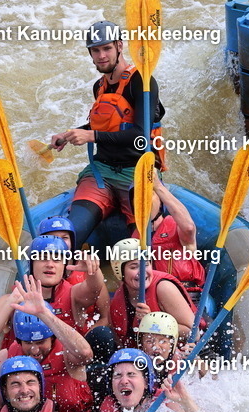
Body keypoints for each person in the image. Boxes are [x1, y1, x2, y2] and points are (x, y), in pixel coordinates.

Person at [50, 20, 167, 249]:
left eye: (107, 48)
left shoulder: (141, 82)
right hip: (101, 172)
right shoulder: (99, 86)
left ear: (119, 46)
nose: (101, 55)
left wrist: (91, 136)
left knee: (141, 251)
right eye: (95, 50)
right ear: (90, 54)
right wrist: (70, 134)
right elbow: (107, 126)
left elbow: (140, 135)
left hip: (137, 172)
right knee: (70, 236)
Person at [0, 275, 96, 412]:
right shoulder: (6, 358)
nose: (34, 350)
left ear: (52, 338)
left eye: (40, 342)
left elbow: (85, 354)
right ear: (19, 341)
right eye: (28, 343)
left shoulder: (67, 353)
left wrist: (44, 314)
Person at [0, 235, 106, 348]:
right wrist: (10, 303)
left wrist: (93, 269)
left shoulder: (74, 295)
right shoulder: (10, 299)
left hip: (62, 368)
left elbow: (95, 288)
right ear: (31, 264)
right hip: (24, 371)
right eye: (43, 258)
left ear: (64, 266)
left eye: (56, 259)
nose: (50, 264)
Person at [109, 238, 196, 347]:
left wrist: (152, 322)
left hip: (182, 353)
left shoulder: (164, 288)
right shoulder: (119, 298)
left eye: (146, 264)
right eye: (134, 267)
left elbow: (194, 333)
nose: (142, 271)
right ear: (120, 272)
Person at [130, 174, 205, 299]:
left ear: (160, 202)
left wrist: (158, 186)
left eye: (150, 195)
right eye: (138, 196)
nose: (144, 200)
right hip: (154, 297)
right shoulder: (135, 237)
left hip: (187, 294)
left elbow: (189, 227)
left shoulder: (177, 226)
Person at [37, 215, 110, 331]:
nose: (59, 242)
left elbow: (106, 318)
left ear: (72, 241)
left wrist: (82, 343)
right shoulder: (35, 275)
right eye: (52, 238)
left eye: (64, 238)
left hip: (84, 335)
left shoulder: (87, 270)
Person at [97, 348, 202, 412]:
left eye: (131, 374)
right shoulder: (110, 405)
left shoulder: (164, 402)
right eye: (117, 375)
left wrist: (185, 401)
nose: (124, 381)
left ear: (146, 382)